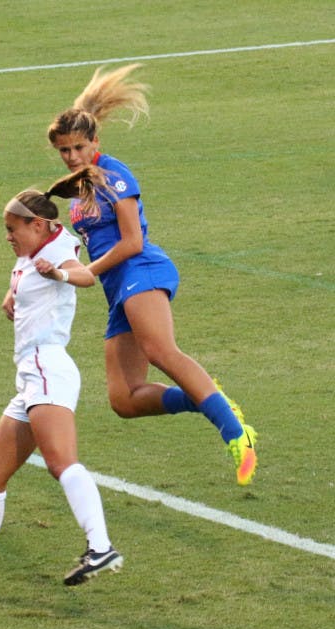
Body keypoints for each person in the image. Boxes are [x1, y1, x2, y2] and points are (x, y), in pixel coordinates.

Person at [46, 63, 257, 486]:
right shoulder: (79, 185)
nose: (71, 156)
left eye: (78, 148)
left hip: (141, 270)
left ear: (95, 143)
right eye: (64, 150)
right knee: (125, 399)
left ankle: (237, 435)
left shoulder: (115, 175)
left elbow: (131, 242)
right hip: (118, 288)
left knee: (161, 351)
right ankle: (208, 399)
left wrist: (87, 271)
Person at [0, 168, 123, 595]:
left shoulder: (60, 248)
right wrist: (13, 294)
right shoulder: (31, 252)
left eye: (13, 229)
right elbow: (23, 272)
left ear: (37, 225)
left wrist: (59, 275)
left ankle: (101, 546)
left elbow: (85, 276)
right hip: (30, 378)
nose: (8, 236)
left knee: (60, 462)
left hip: (49, 371)